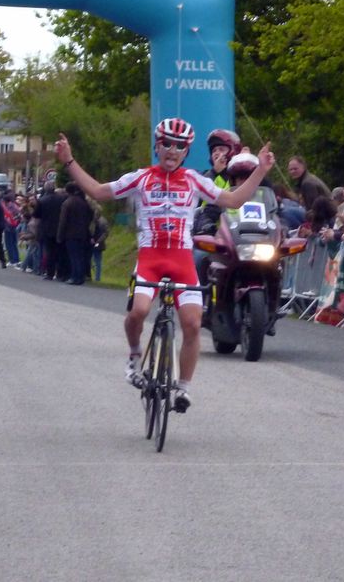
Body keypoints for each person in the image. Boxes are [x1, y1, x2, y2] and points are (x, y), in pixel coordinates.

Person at [54, 118, 275, 413]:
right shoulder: (142, 178)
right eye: (167, 144)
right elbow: (98, 191)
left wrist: (260, 169)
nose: (172, 150)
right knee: (139, 312)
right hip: (151, 257)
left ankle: (183, 388)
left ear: (186, 152)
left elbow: (233, 200)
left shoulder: (195, 181)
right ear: (157, 146)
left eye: (179, 146)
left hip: (181, 259)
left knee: (193, 324)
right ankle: (134, 355)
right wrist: (68, 160)